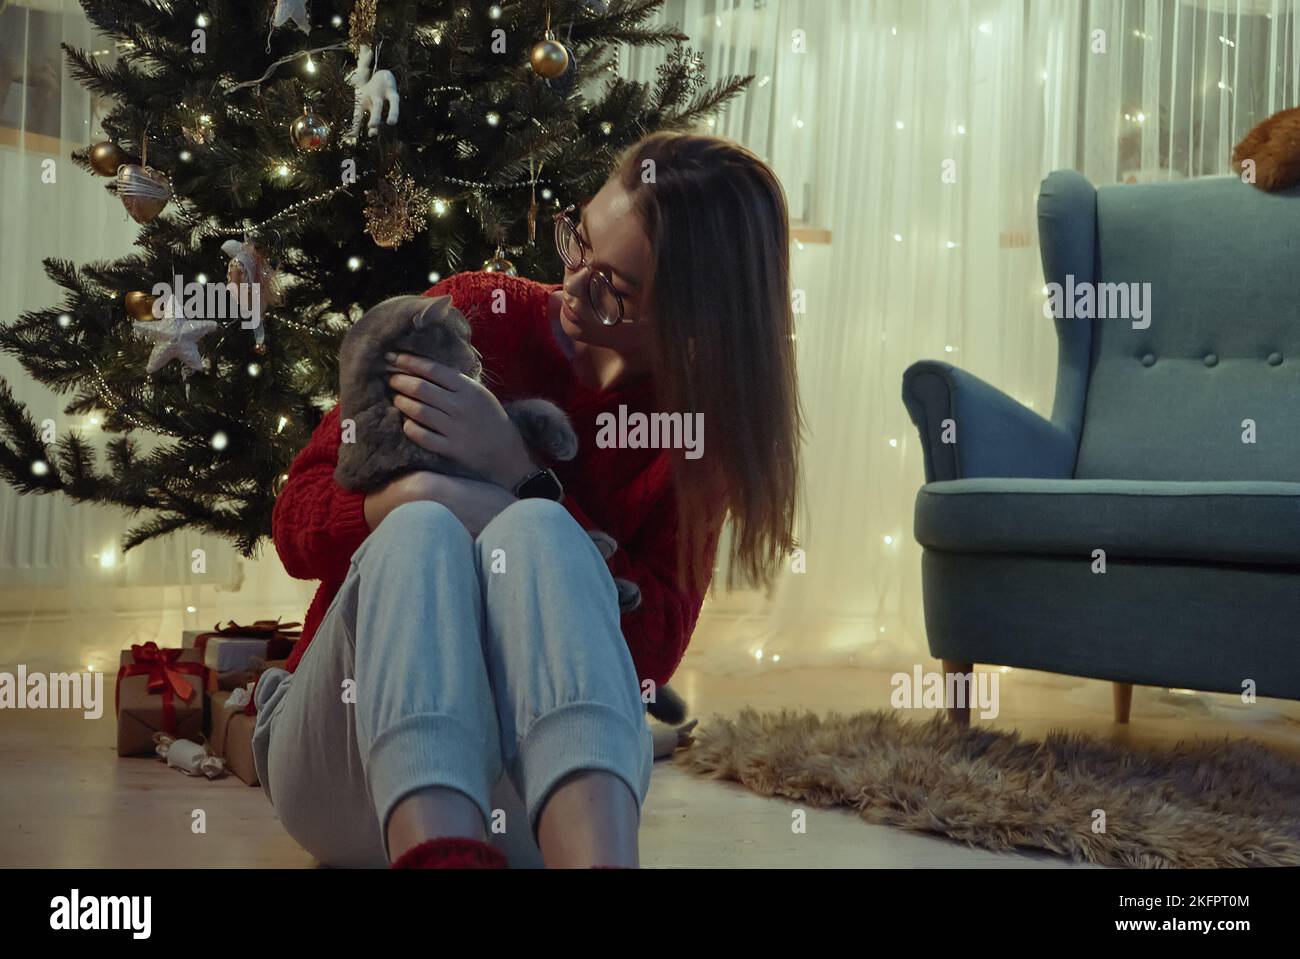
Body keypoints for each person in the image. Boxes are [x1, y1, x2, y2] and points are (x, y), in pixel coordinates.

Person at [251, 131, 803, 868]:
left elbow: (646, 659)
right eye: (578, 238)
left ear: (699, 319)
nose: (572, 284)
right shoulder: (472, 313)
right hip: (344, 762)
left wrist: (518, 476)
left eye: (616, 288)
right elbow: (295, 525)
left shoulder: (696, 432)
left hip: (532, 798)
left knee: (538, 527)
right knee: (421, 528)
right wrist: (420, 492)